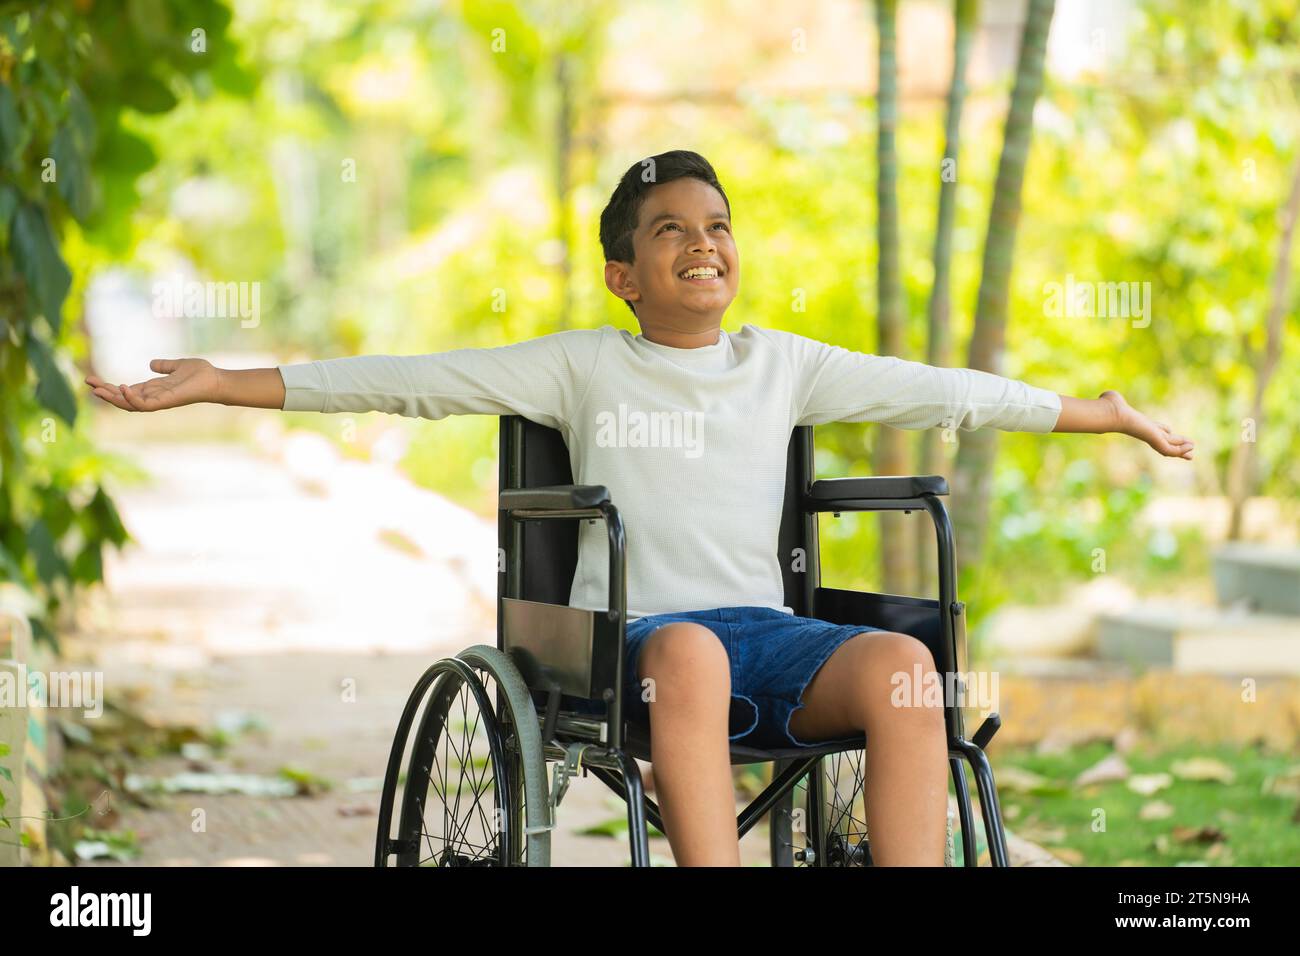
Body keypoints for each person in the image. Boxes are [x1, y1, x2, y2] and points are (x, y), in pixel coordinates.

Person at [85, 149, 1194, 866]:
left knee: (905, 670)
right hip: (637, 643)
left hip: (772, 638)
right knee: (696, 663)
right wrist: (227, 379)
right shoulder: (582, 366)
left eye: (714, 224)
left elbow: (941, 390)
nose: (700, 242)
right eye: (668, 230)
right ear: (624, 273)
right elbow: (409, 377)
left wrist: (1095, 412)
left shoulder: (783, 364)